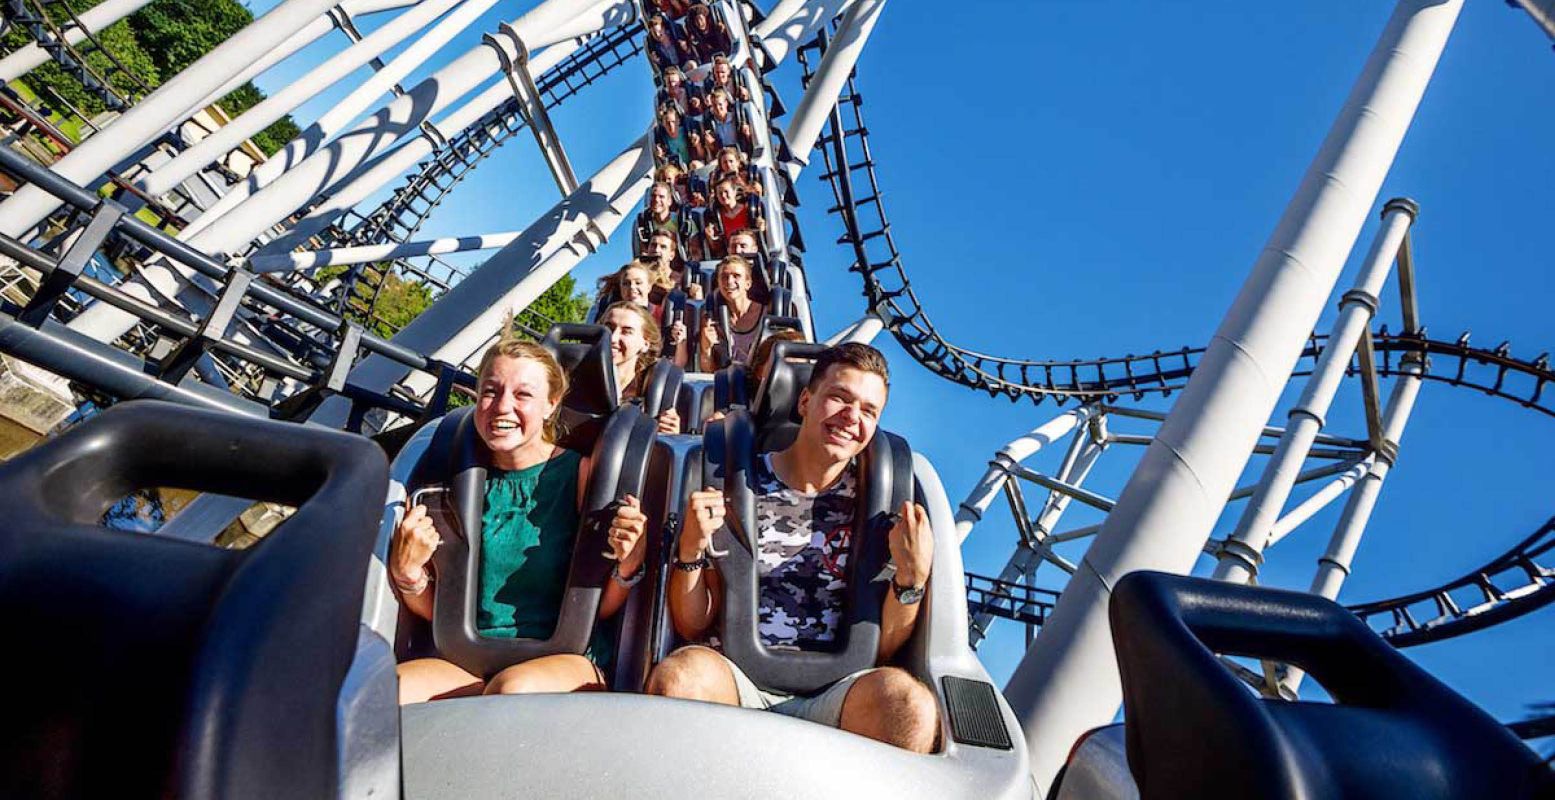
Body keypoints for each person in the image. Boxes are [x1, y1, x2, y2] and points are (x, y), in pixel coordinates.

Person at [646, 343, 940, 753]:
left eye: (868, 411)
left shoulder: (884, 503)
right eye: (839, 397)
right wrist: (692, 548)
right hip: (737, 675)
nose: (851, 417)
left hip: (837, 690)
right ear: (805, 400)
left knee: (909, 706)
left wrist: (913, 577)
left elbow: (885, 646)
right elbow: (694, 624)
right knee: (678, 680)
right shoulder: (734, 482)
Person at [393, 339, 650, 703]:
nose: (502, 407)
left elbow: (599, 606)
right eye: (491, 391)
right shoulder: (449, 476)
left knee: (512, 691)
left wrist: (629, 562)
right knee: (384, 694)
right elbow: (440, 610)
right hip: (467, 658)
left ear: (551, 404)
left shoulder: (580, 476)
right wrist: (409, 575)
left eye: (523, 395)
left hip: (564, 658)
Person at [600, 302, 683, 433]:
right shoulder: (576, 381)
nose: (613, 338)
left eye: (626, 332)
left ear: (645, 344)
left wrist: (669, 432)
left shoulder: (655, 391)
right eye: (609, 329)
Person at [698, 255, 765, 369]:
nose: (729, 281)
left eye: (736, 276)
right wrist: (706, 348)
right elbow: (707, 370)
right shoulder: (711, 318)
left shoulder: (766, 314)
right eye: (724, 276)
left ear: (748, 283)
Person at [704, 175, 762, 258]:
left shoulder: (749, 210)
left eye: (726, 192)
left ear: (734, 192)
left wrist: (761, 228)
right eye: (720, 193)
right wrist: (710, 238)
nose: (723, 195)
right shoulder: (716, 217)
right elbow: (717, 248)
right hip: (731, 253)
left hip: (749, 251)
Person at [646, 229, 704, 300]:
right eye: (653, 245)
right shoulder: (638, 277)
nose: (656, 250)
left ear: (671, 255)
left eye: (663, 247)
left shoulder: (682, 281)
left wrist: (697, 298)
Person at [697, 89, 751, 157]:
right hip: (722, 156)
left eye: (720, 104)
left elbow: (749, 142)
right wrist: (711, 144)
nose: (718, 108)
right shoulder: (711, 124)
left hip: (739, 152)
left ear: (726, 103)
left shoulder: (737, 119)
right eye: (714, 105)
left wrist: (747, 134)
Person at [681, 3, 733, 69]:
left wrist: (724, 32)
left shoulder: (719, 27)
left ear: (705, 17)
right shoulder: (695, 37)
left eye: (701, 19)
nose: (699, 23)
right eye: (696, 21)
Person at [653, 104, 701, 170]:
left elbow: (701, 155)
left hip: (694, 164)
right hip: (677, 170)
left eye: (673, 121)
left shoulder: (688, 132)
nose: (671, 126)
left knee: (694, 165)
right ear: (663, 124)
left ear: (678, 121)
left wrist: (697, 145)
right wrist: (661, 156)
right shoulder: (663, 141)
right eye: (667, 123)